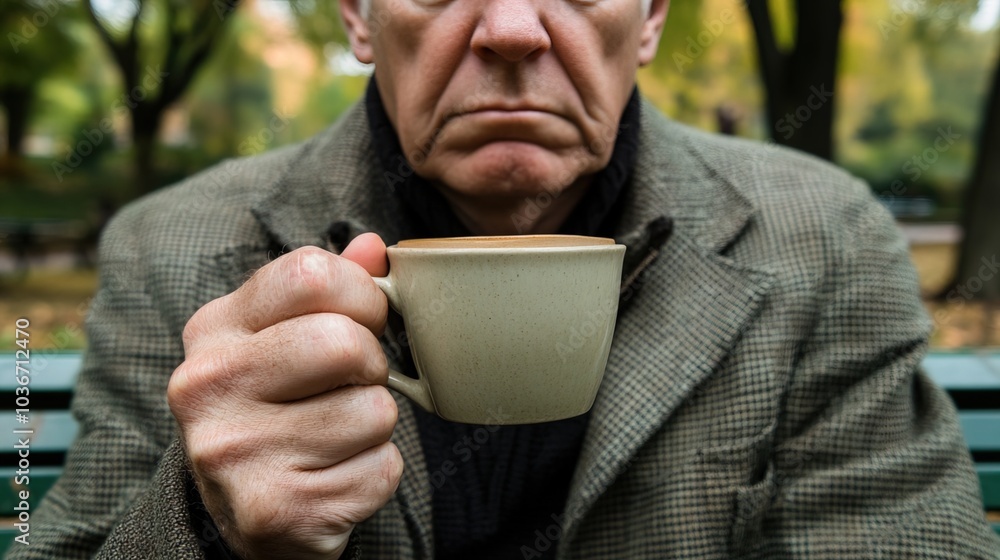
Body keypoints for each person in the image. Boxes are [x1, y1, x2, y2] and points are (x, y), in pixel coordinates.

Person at [11, 0, 1000, 558]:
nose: (515, 29)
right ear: (357, 17)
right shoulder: (172, 249)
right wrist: (204, 523)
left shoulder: (823, 238)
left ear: (650, 19)